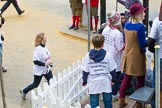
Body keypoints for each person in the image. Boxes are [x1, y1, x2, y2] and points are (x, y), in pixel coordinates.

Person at [119, 3, 147, 108]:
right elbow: (142, 44)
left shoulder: (126, 24)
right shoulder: (140, 27)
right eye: (143, 12)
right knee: (140, 79)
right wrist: (148, 42)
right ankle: (138, 102)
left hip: (127, 54)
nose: (144, 13)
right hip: (137, 56)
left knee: (127, 78)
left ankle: (121, 99)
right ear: (138, 14)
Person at [82, 35, 117, 108]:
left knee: (94, 102)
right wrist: (113, 79)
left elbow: (85, 70)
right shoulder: (108, 55)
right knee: (107, 102)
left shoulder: (88, 55)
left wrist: (84, 81)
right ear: (103, 44)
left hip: (93, 81)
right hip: (105, 81)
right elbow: (112, 69)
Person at [20, 33, 53, 100]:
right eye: (45, 37)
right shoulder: (38, 49)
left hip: (46, 69)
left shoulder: (45, 46)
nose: (46, 38)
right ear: (41, 39)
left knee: (52, 81)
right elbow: (35, 61)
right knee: (35, 84)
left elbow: (47, 56)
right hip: (39, 70)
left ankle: (50, 97)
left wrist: (49, 63)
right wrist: (45, 64)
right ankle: (24, 91)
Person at [102, 11, 125, 101]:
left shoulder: (105, 29)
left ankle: (105, 93)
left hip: (106, 56)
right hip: (115, 59)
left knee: (106, 77)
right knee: (115, 78)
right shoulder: (118, 33)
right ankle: (113, 94)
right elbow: (120, 47)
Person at [148, 2, 162, 107]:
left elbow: (150, 41)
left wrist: (154, 51)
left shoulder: (158, 22)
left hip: (160, 56)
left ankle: (155, 104)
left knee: (156, 82)